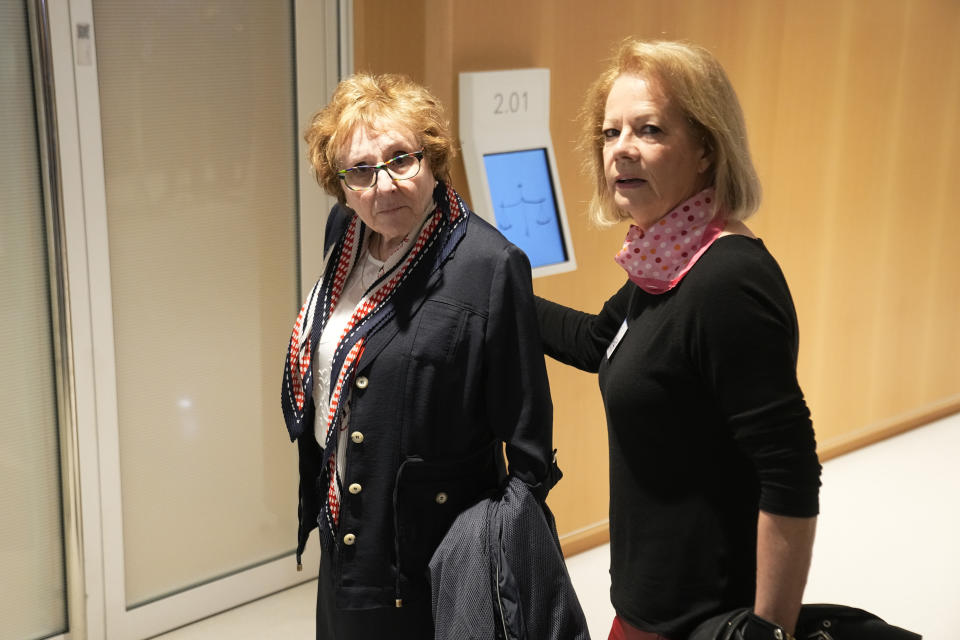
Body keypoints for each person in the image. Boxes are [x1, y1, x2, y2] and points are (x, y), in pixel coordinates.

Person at [535, 39, 822, 640]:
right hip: (646, 603)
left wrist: (769, 630)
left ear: (705, 151)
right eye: (610, 133)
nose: (621, 150)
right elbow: (595, 342)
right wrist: (490, 286)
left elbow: (789, 471)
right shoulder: (666, 259)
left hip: (704, 618)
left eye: (650, 130)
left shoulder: (727, 279)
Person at [280, 73, 558, 639]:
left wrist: (492, 562)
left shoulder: (489, 264)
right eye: (360, 171)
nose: (382, 187)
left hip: (432, 559)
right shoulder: (347, 231)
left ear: (431, 158)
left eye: (400, 159)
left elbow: (528, 447)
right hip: (347, 534)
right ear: (340, 186)